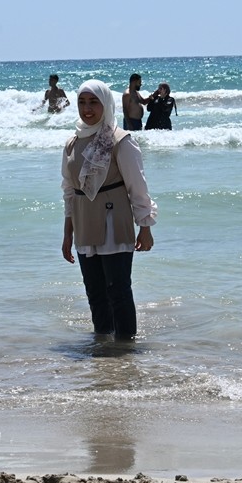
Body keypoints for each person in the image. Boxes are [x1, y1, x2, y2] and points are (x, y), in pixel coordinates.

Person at [61, 79, 157, 340]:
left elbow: (138, 187)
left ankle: (125, 350)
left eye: (94, 102)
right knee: (94, 292)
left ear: (106, 104)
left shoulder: (120, 140)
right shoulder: (72, 143)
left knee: (118, 290)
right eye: (82, 102)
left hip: (113, 221)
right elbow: (69, 191)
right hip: (83, 224)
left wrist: (145, 227)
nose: (87, 108)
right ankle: (102, 348)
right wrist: (67, 234)